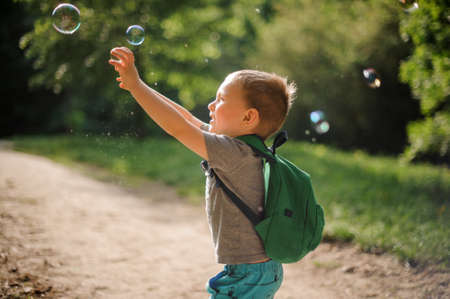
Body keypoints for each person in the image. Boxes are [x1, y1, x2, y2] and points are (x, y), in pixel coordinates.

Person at [109, 46, 296, 298]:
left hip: (249, 272)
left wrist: (136, 87)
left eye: (220, 99)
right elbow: (184, 118)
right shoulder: (243, 149)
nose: (211, 104)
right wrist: (138, 83)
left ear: (248, 117)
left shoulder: (233, 152)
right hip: (256, 269)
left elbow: (178, 128)